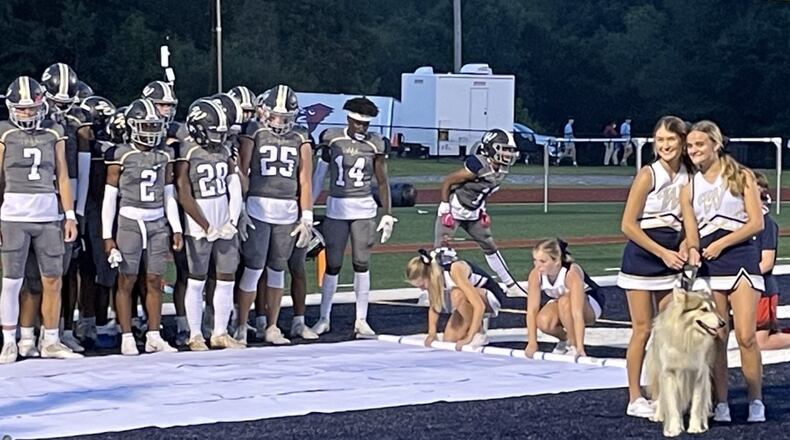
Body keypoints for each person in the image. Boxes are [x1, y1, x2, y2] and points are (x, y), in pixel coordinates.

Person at [680, 120, 764, 423]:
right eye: (690, 146)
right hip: (710, 266)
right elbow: (691, 232)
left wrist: (723, 243)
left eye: (699, 144)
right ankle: (723, 402)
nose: (693, 151)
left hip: (741, 258)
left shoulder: (741, 176)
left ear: (716, 144)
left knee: (746, 335)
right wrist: (691, 249)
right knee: (716, 336)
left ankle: (755, 399)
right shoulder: (687, 186)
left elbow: (756, 223)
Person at [616, 116, 695, 418]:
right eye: (660, 140)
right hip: (643, 255)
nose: (664, 145)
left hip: (671, 255)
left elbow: (690, 220)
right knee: (642, 329)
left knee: (667, 331)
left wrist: (688, 244)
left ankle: (663, 392)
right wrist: (662, 252)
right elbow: (627, 224)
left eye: (670, 140)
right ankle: (635, 396)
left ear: (682, 141)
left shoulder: (690, 174)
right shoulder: (649, 174)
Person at [0, 76, 81, 362]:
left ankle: (50, 339)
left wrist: (69, 215)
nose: (26, 113)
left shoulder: (53, 132)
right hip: (13, 215)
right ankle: (10, 340)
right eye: (20, 109)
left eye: (30, 108)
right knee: (12, 281)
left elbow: (62, 175)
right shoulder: (4, 133)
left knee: (53, 279)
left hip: (48, 214)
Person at [234, 84, 314, 345]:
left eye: (286, 118)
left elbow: (304, 180)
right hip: (258, 206)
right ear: (263, 111)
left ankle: (272, 325)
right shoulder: (253, 131)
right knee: (253, 269)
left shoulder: (300, 136)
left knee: (277, 269)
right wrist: (241, 208)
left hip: (287, 210)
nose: (280, 123)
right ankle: (241, 324)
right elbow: (242, 172)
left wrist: (307, 216)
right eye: (276, 116)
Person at [310, 97, 396, 337]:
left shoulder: (375, 144)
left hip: (364, 207)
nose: (362, 128)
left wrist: (388, 214)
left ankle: (361, 319)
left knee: (361, 263)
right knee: (333, 264)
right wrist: (307, 210)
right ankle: (324, 317)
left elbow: (382, 180)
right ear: (349, 118)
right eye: (358, 123)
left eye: (365, 125)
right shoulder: (332, 138)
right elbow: (319, 176)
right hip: (337, 206)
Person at [102, 98, 181, 355]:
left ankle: (154, 335)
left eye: (154, 126)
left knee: (155, 279)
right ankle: (126, 335)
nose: (151, 132)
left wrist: (176, 227)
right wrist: (107, 236)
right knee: (127, 279)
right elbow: (109, 197)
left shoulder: (164, 154)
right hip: (129, 220)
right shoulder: (120, 154)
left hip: (157, 220)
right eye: (145, 126)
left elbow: (169, 193)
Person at [175, 98, 246, 350]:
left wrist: (232, 220)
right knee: (197, 278)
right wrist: (205, 225)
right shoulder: (187, 151)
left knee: (226, 277)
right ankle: (195, 334)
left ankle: (219, 332)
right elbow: (183, 192)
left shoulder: (224, 151)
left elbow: (234, 186)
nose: (218, 136)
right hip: (198, 220)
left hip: (223, 216)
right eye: (213, 130)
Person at [435, 129, 524, 296]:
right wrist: (445, 207)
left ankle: (510, 284)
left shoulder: (502, 169)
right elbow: (448, 181)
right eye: (504, 148)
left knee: (489, 245)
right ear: (491, 148)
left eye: (510, 150)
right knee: (441, 251)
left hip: (474, 211)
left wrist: (482, 209)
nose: (508, 153)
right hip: (455, 208)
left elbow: (484, 191)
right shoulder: (478, 165)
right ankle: (432, 292)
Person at [405, 247, 504, 350]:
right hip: (468, 302)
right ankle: (471, 328)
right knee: (449, 342)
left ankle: (478, 331)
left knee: (456, 294)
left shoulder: (455, 270)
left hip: (489, 297)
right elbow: (434, 306)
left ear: (430, 275)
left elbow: (479, 306)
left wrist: (470, 337)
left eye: (422, 285)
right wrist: (431, 333)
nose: (422, 290)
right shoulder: (433, 280)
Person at [524, 239, 604, 358]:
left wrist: (580, 347)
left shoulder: (571, 274)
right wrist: (532, 343)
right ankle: (565, 339)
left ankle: (573, 344)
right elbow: (531, 310)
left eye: (543, 261)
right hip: (562, 301)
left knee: (564, 302)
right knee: (544, 321)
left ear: (556, 261)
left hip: (591, 304)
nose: (537, 265)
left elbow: (577, 313)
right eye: (535, 260)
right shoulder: (535, 275)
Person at [752, 172, 790, 350]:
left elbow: (767, 262)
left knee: (761, 342)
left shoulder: (766, 225)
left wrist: (742, 278)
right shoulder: (739, 222)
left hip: (763, 289)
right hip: (747, 287)